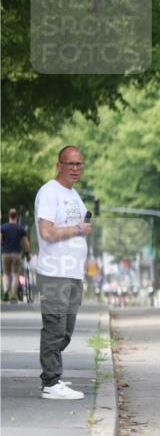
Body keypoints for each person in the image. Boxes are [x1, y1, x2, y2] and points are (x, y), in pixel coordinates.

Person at [34, 145, 90, 400]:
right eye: (71, 164)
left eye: (79, 164)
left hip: (72, 273)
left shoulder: (74, 195)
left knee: (66, 330)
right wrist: (78, 230)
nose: (76, 169)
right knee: (54, 328)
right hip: (54, 273)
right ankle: (51, 382)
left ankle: (53, 373)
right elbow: (47, 232)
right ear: (59, 165)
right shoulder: (49, 193)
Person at [2, 207, 31, 303]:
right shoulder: (20, 228)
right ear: (17, 217)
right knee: (15, 275)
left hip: (5, 253)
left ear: (9, 216)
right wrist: (27, 253)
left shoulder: (3, 227)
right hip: (16, 254)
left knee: (5, 274)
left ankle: (6, 291)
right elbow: (25, 243)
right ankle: (14, 297)